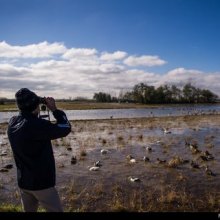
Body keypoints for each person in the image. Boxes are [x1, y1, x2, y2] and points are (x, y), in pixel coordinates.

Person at [7, 88, 71, 212]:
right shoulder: (37, 125)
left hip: (23, 182)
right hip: (42, 184)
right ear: (35, 106)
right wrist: (54, 109)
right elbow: (65, 128)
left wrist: (36, 103)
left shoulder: (12, 122)